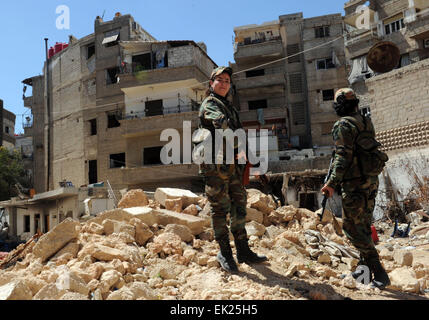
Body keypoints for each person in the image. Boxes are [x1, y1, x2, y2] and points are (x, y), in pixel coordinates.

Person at [197, 66, 267, 273]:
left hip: (233, 166)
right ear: (211, 83)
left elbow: (240, 136)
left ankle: (243, 250)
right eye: (220, 80)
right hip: (216, 165)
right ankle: (225, 253)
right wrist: (239, 149)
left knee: (239, 205)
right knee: (220, 208)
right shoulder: (210, 104)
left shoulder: (231, 108)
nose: (225, 83)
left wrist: (253, 160)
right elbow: (222, 127)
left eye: (228, 81)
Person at [321, 88, 390, 289]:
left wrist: (331, 183)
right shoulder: (365, 121)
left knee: (352, 228)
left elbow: (343, 157)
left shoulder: (343, 125)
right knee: (363, 226)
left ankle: (379, 271)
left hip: (354, 185)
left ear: (339, 104)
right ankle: (363, 275)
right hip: (371, 181)